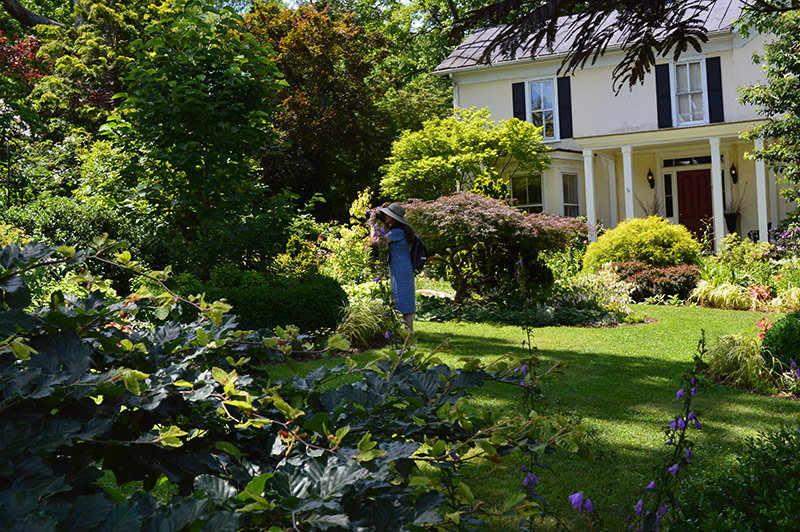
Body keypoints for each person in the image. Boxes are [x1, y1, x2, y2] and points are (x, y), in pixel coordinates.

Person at [368, 203, 416, 331]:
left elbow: (375, 242)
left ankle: (408, 334)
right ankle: (406, 333)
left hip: (401, 268)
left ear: (393, 218)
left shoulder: (397, 232)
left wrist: (372, 225)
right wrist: (384, 223)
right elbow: (386, 236)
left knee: (405, 302)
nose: (384, 215)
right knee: (403, 300)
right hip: (401, 267)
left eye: (386, 214)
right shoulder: (399, 230)